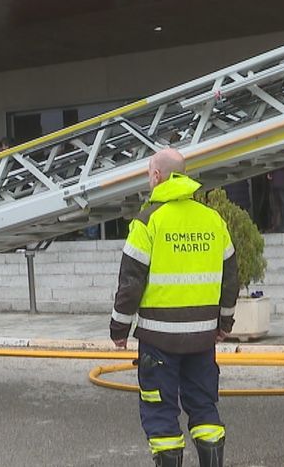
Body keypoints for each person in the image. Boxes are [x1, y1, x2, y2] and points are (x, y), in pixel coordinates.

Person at [110, 148, 237, 467]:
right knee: (204, 409)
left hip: (158, 342)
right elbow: (230, 280)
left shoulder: (147, 221)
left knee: (161, 415)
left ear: (156, 176)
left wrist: (119, 329)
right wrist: (224, 323)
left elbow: (130, 284)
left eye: (148, 174)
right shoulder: (213, 220)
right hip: (202, 338)